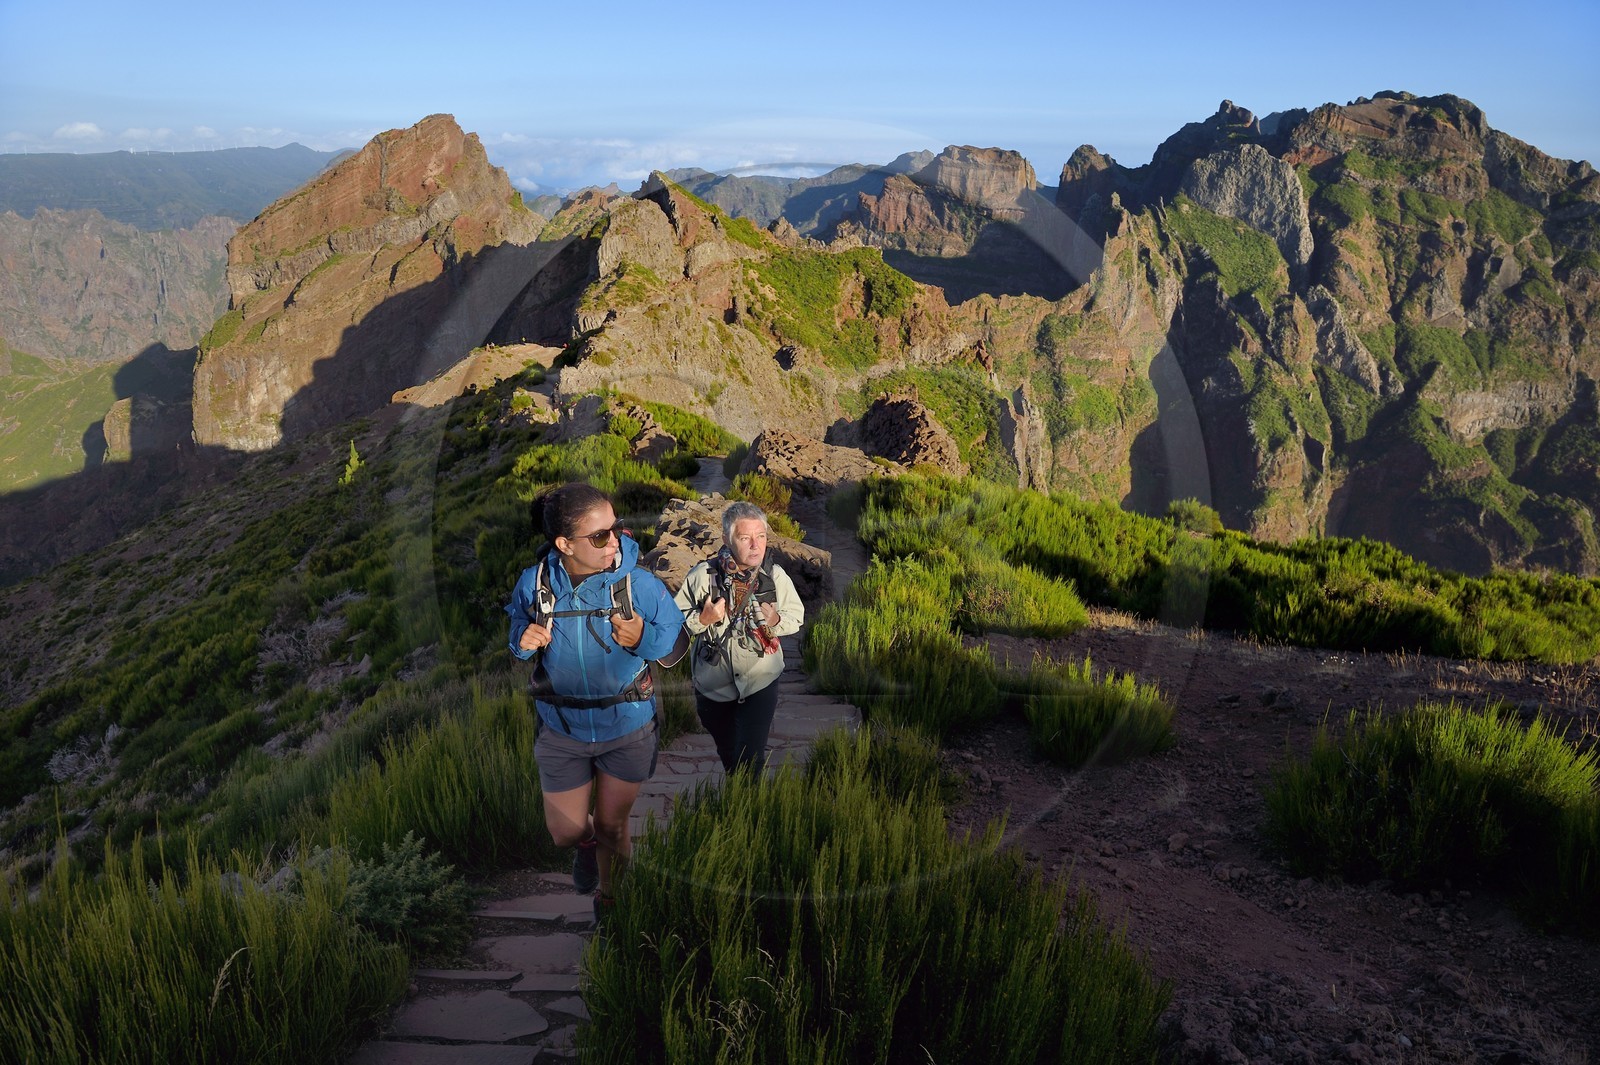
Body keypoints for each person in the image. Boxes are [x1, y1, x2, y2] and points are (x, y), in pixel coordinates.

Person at [505, 483, 685, 922]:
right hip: (561, 727)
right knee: (565, 831)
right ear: (565, 544)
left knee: (612, 826)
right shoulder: (535, 584)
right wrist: (522, 642)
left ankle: (611, 902)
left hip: (627, 726)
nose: (616, 541)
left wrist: (643, 637)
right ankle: (583, 846)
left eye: (616, 529)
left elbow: (677, 641)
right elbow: (517, 627)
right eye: (600, 535)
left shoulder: (636, 583)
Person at [674, 501, 804, 774]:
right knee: (730, 757)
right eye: (745, 538)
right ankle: (738, 806)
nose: (756, 546)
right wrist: (703, 619)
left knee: (751, 760)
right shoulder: (702, 576)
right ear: (727, 539)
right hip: (713, 685)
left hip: (761, 679)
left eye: (761, 536)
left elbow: (796, 617)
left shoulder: (775, 576)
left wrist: (776, 621)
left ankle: (750, 811)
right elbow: (674, 625)